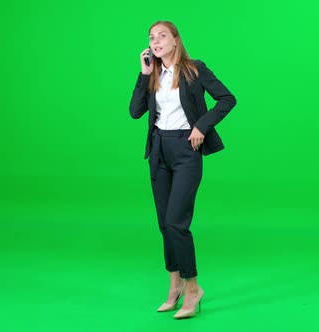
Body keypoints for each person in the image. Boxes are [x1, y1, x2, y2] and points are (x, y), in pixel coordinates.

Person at [129, 20, 236, 319]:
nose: (156, 41)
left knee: (177, 222)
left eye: (162, 36)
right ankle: (173, 285)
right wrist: (143, 74)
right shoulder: (153, 75)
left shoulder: (194, 69)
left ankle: (192, 288)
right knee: (165, 223)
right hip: (159, 150)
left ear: (176, 40)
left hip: (186, 150)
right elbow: (136, 112)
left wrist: (201, 125)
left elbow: (228, 99)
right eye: (151, 37)